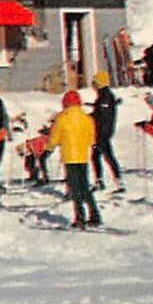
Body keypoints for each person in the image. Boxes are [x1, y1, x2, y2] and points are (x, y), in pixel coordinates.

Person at [47, 89, 102, 228]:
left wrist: (48, 148)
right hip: (82, 156)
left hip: (69, 156)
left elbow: (54, 138)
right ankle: (95, 214)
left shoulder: (62, 118)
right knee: (84, 186)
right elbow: (91, 139)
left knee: (75, 188)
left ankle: (80, 217)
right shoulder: (87, 118)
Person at [90, 71, 125, 192]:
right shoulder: (104, 95)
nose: (92, 85)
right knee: (96, 156)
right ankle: (101, 180)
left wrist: (90, 117)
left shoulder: (105, 97)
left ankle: (119, 182)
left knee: (108, 157)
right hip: (102, 132)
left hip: (102, 133)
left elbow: (102, 115)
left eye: (94, 83)